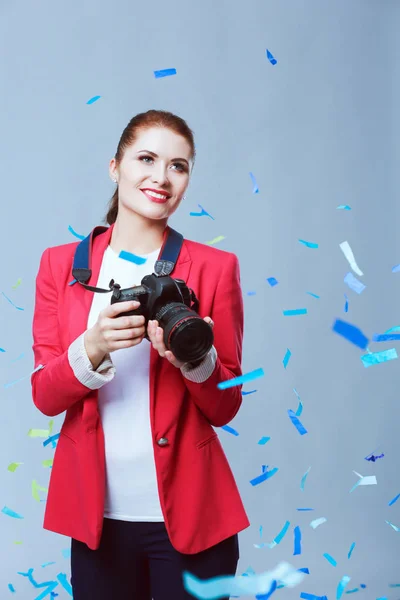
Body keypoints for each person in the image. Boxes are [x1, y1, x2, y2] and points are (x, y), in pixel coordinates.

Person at [31, 109, 250, 599]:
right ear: (115, 167)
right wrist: (93, 345)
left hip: (194, 518)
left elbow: (226, 405)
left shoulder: (215, 268)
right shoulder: (59, 266)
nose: (161, 177)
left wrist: (193, 360)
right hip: (97, 521)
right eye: (146, 159)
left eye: (179, 165)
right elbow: (44, 395)